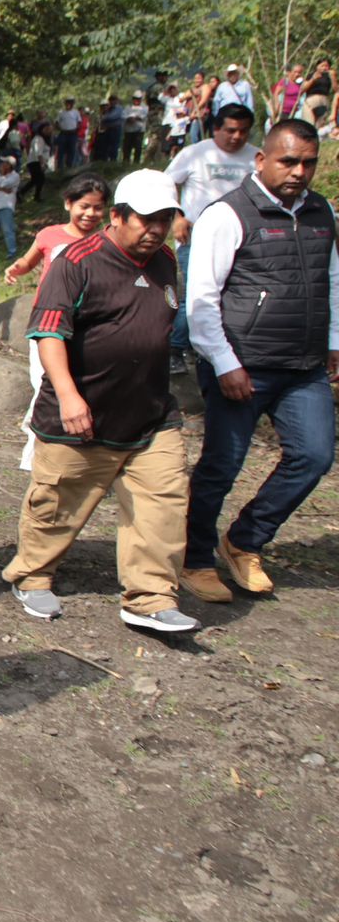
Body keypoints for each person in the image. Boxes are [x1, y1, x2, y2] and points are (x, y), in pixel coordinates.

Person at [2, 169, 199, 633]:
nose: (155, 229)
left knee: (164, 504)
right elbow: (48, 333)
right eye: (146, 220)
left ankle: (150, 596)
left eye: (164, 219)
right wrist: (70, 397)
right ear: (117, 216)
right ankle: (33, 575)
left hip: (150, 413)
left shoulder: (165, 259)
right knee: (58, 503)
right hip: (82, 414)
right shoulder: (77, 261)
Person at [180, 118, 337, 603]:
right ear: (262, 160)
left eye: (308, 163)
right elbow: (201, 300)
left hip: (304, 367)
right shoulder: (227, 215)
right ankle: (194, 557)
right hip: (242, 365)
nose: (298, 172)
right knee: (221, 466)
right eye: (288, 161)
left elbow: (332, 279)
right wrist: (224, 363)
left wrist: (334, 338)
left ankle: (245, 540)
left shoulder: (321, 211)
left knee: (314, 456)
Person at [3, 174, 113, 469]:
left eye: (98, 207)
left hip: (87, 326)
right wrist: (16, 269)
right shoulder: (49, 236)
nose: (90, 213)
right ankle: (34, 450)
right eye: (84, 206)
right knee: (44, 383)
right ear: (68, 204)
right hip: (48, 325)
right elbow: (29, 261)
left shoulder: (106, 243)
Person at [163, 103, 258, 371]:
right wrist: (177, 216)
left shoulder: (256, 157)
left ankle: (212, 349)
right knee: (194, 294)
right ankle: (175, 348)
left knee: (231, 294)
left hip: (242, 240)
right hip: (195, 237)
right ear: (216, 129)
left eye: (243, 131)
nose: (237, 136)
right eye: (230, 130)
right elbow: (167, 184)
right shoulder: (195, 153)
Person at [300, 57, 332, 128]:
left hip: (324, 101)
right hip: (311, 100)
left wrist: (333, 77)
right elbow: (302, 89)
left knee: (319, 124)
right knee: (309, 123)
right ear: (317, 66)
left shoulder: (330, 76)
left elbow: (335, 89)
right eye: (322, 65)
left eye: (326, 66)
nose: (324, 68)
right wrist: (313, 79)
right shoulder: (311, 75)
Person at [25, 124, 50, 202]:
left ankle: (21, 193)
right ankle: (37, 196)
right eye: (46, 129)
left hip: (36, 162)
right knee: (40, 179)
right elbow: (38, 152)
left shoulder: (43, 139)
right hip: (35, 162)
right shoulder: (38, 139)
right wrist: (42, 164)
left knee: (35, 180)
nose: (49, 131)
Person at [55, 98, 82, 170]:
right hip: (63, 133)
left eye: (71, 103)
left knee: (72, 150)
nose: (69, 104)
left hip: (73, 133)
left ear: (73, 104)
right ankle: (60, 167)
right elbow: (56, 122)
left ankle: (69, 166)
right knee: (61, 150)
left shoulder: (76, 112)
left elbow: (79, 122)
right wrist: (60, 128)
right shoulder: (61, 112)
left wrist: (76, 129)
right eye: (67, 103)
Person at [121, 91, 148, 164]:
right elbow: (123, 116)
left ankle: (136, 162)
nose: (137, 100)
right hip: (129, 130)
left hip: (139, 130)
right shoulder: (128, 107)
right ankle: (126, 162)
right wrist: (129, 118)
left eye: (138, 99)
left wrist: (136, 118)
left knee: (138, 147)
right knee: (127, 147)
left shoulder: (144, 107)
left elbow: (144, 116)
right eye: (135, 98)